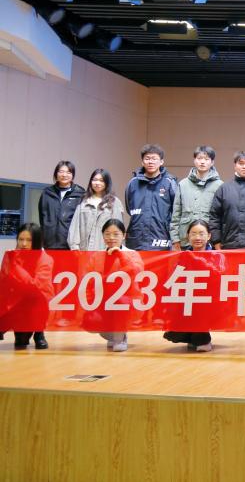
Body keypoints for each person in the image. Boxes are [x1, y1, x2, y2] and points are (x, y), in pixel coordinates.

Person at [162, 220, 216, 352]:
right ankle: (193, 337)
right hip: (187, 299)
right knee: (174, 334)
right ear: (188, 236)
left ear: (208, 236)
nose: (197, 237)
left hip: (211, 301)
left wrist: (201, 262)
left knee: (199, 308)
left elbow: (220, 275)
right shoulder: (182, 256)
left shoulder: (217, 255)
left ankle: (203, 339)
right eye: (193, 234)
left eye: (201, 234)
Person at [94, 219, 138, 352]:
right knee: (90, 321)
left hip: (128, 300)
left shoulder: (132, 254)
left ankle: (119, 338)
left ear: (123, 235)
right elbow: (90, 279)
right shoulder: (97, 255)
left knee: (120, 303)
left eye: (116, 234)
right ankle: (114, 335)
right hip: (102, 299)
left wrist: (121, 255)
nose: (111, 238)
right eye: (107, 234)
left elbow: (136, 271)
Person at [124, 144, 178, 251]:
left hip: (161, 237)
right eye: (147, 158)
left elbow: (176, 211)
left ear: (161, 162)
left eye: (154, 159)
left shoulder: (169, 183)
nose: (150, 162)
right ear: (142, 162)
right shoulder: (133, 183)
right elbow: (129, 208)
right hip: (136, 239)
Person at [170, 145, 223, 251]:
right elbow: (176, 214)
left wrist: (219, 240)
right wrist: (175, 239)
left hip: (210, 241)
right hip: (185, 240)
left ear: (212, 162)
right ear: (194, 160)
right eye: (199, 158)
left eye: (206, 159)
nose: (202, 162)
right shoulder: (183, 184)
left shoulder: (219, 185)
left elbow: (222, 216)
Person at [8, 223, 50, 350]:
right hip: (18, 301)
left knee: (38, 300)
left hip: (37, 300)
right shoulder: (12, 256)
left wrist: (16, 267)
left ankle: (39, 333)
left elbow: (35, 286)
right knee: (21, 342)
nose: (24, 244)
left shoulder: (45, 259)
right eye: (21, 239)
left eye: (29, 240)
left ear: (36, 241)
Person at [68, 168, 125, 252]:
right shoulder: (84, 201)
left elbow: (118, 229)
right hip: (84, 251)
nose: (97, 183)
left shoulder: (114, 202)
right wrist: (75, 247)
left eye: (101, 180)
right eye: (95, 180)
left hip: (105, 251)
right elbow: (75, 226)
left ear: (107, 183)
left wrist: (114, 248)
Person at [39, 160, 86, 250]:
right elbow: (42, 218)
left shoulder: (80, 194)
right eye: (61, 171)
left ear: (73, 175)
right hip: (49, 244)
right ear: (56, 174)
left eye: (68, 172)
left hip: (71, 246)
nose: (64, 175)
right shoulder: (47, 193)